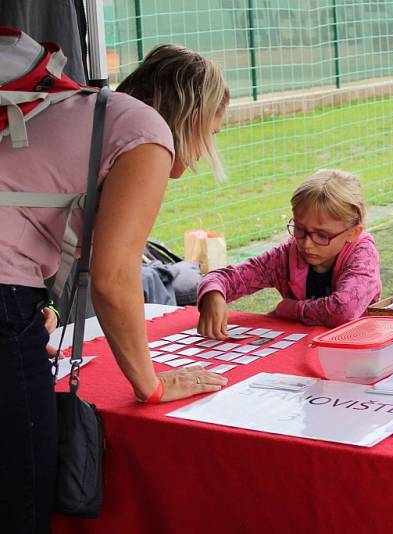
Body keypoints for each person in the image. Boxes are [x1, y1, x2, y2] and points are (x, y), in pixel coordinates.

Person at [1, 32, 229, 533]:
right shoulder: (147, 132)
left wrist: (44, 304)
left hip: (13, 291)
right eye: (207, 136)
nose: (191, 161)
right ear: (189, 114)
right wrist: (149, 384)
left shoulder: (85, 111)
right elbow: (113, 276)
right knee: (21, 497)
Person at [196, 169, 381, 335]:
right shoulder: (288, 254)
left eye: (322, 235)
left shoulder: (362, 252)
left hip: (353, 349)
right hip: (299, 344)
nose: (307, 244)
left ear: (353, 232)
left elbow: (344, 310)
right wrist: (213, 293)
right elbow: (230, 278)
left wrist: (290, 309)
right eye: (300, 229)